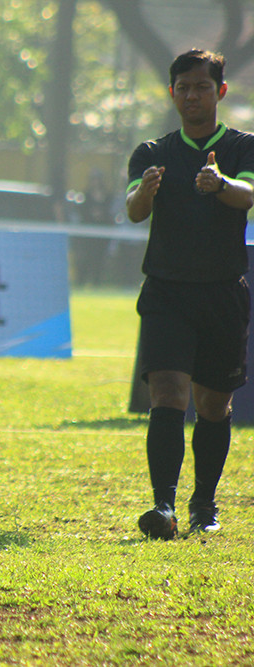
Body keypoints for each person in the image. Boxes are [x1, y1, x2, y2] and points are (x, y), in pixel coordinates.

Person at [125, 48, 254, 540]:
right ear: (172, 93)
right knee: (167, 394)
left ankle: (204, 505)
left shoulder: (243, 147)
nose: (193, 96)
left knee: (213, 404)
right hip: (167, 291)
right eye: (184, 88)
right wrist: (146, 193)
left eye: (202, 87)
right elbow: (134, 210)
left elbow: (248, 195)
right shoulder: (152, 153)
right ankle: (163, 507)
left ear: (219, 92)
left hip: (222, 292)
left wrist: (219, 183)